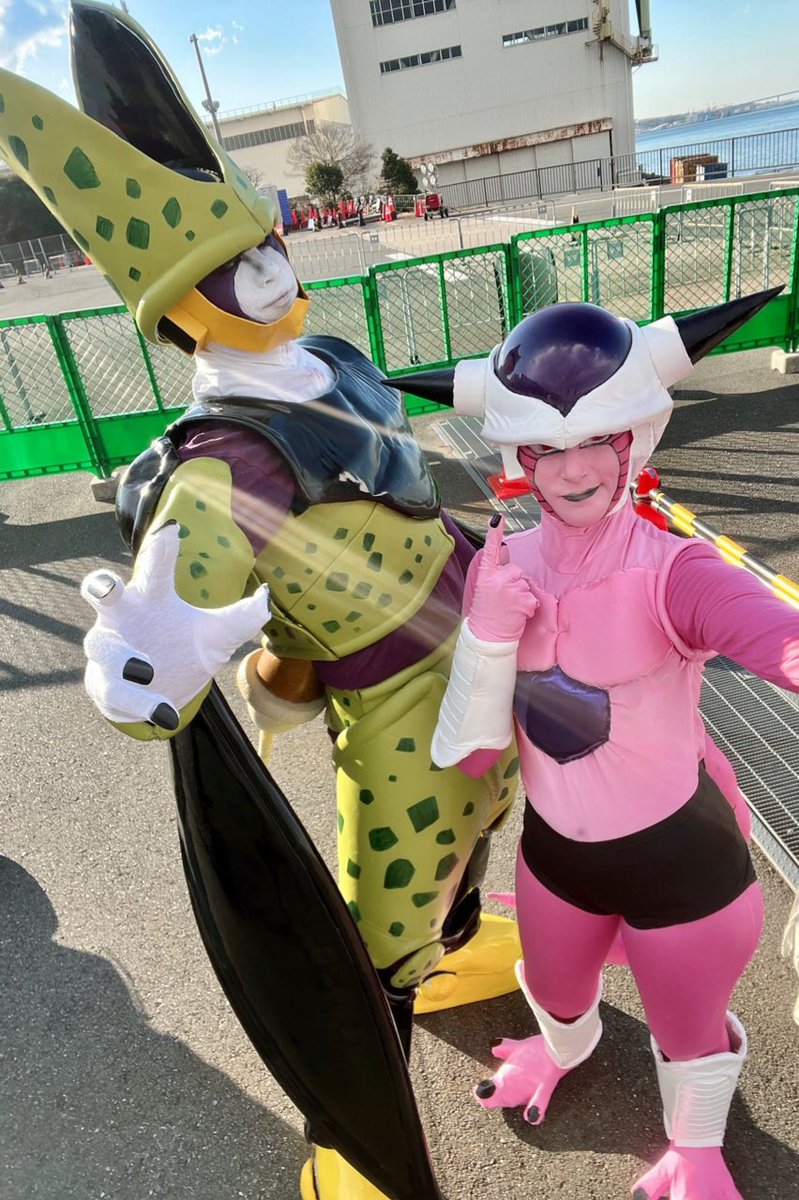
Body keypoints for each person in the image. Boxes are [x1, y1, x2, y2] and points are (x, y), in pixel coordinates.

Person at [0, 6, 520, 1198]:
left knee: (492, 812)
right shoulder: (219, 464)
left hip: (486, 634)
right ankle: (363, 1133)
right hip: (397, 709)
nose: (273, 268)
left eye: (269, 239)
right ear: (181, 305)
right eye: (239, 265)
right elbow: (160, 644)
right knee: (376, 924)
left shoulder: (331, 359)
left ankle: (453, 946)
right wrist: (145, 660)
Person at [397, 290, 790, 1200]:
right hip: (556, 856)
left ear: (633, 439)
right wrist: (488, 631)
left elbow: (776, 637)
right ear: (517, 457)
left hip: (682, 863)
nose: (572, 471)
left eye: (597, 441)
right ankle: (560, 1051)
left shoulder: (675, 570)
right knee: (553, 989)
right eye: (545, 449)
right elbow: (468, 754)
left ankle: (697, 1149)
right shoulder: (499, 565)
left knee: (687, 1031)